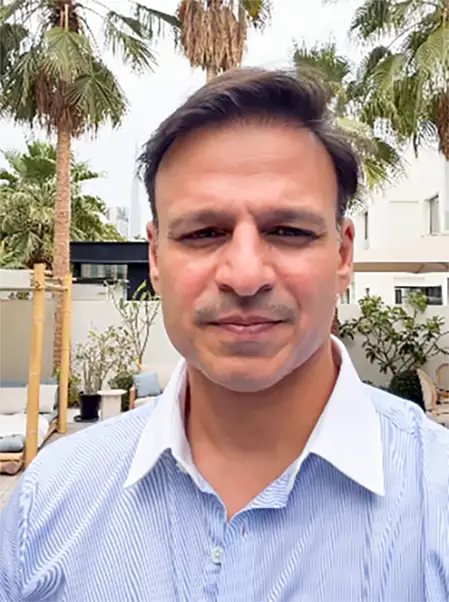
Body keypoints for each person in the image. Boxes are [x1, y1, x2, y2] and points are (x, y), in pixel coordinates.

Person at [1, 68, 448, 602]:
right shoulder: (48, 504)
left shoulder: (437, 498)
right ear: (155, 257)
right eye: (204, 233)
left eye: (288, 231)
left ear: (343, 255)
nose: (245, 275)